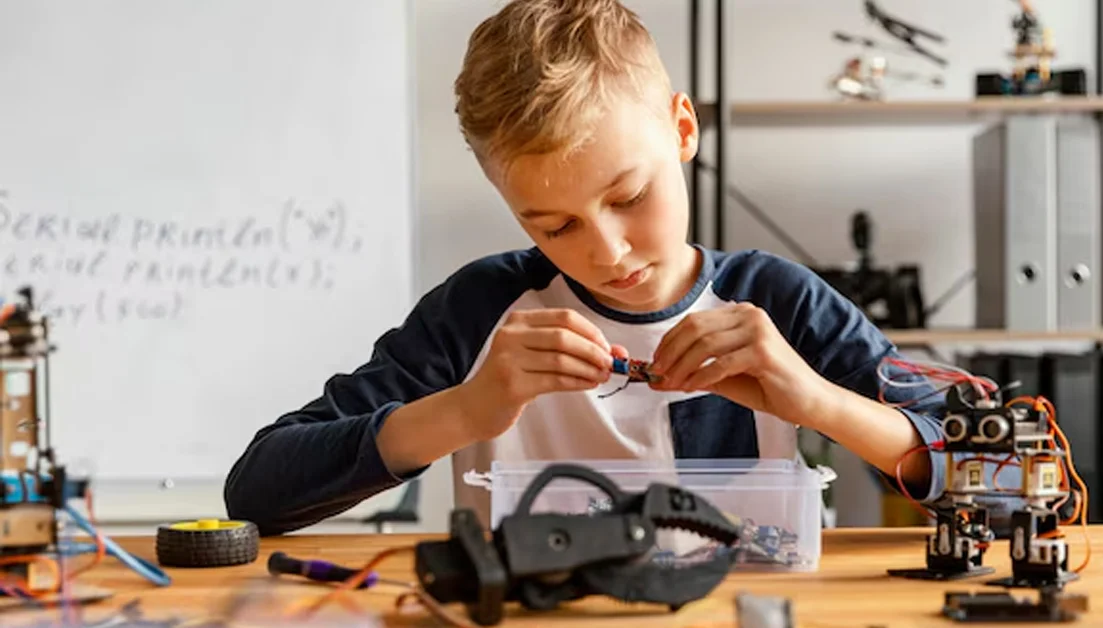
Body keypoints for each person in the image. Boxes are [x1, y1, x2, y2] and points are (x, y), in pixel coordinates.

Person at [224, 0, 1011, 537]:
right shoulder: (480, 311)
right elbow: (257, 491)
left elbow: (1005, 477)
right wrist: (466, 411)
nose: (607, 251)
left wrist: (817, 402)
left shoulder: (779, 304)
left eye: (630, 195)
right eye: (554, 224)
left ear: (682, 130)